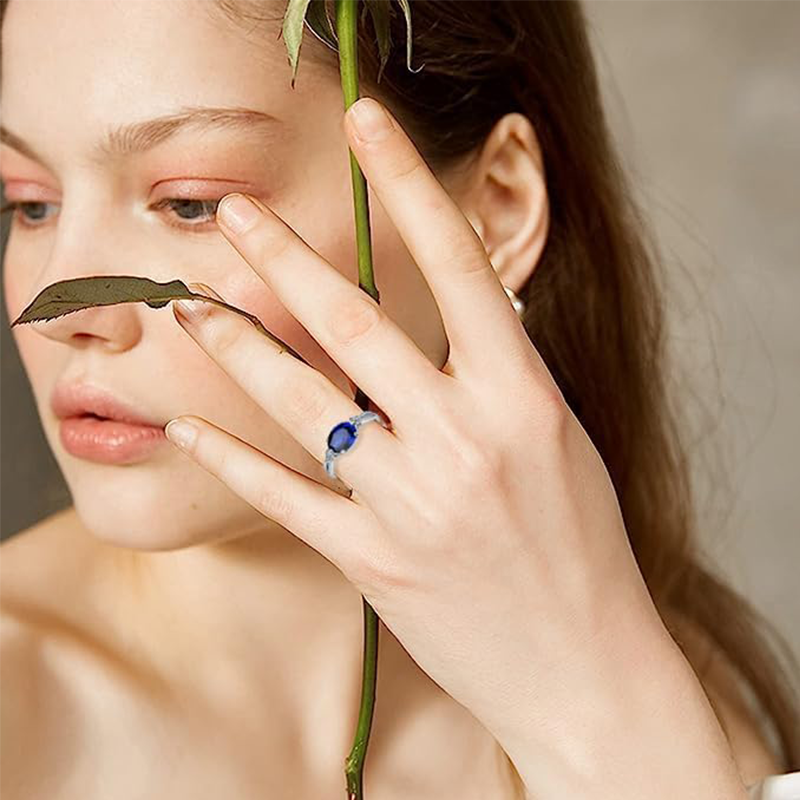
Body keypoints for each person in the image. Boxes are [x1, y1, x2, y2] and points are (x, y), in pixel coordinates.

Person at [1, 1, 798, 797]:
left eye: (192, 202)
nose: (58, 312)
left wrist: (597, 719)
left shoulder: (675, 706)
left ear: (497, 208)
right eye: (29, 203)